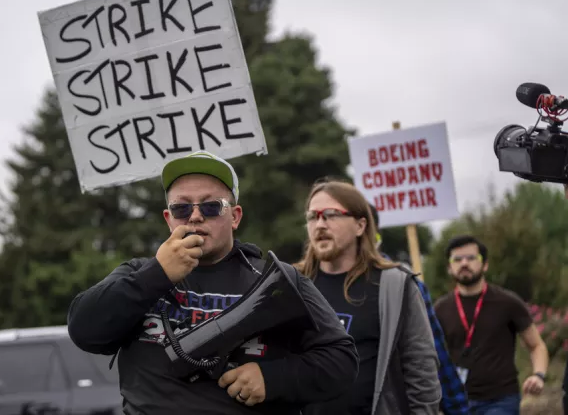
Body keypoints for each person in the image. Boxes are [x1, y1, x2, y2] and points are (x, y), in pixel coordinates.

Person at [66, 150, 360, 415]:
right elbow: (83, 329)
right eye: (182, 209)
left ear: (235, 216)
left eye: (211, 207)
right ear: (168, 219)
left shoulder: (276, 278)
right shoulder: (138, 273)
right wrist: (157, 275)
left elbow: (341, 360)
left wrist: (273, 379)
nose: (195, 216)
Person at [296, 178, 441, 415]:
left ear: (360, 225)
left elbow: (421, 368)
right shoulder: (293, 284)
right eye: (313, 216)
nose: (320, 224)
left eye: (331, 214)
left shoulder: (394, 285)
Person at [367, 204, 469, 415]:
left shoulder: (401, 284)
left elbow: (429, 356)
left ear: (367, 229)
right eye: (314, 218)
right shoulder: (309, 284)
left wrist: (457, 409)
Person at [434, 235, 549, 415]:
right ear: (449, 267)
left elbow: (536, 345)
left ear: (485, 264)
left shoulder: (507, 302)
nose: (464, 263)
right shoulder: (440, 308)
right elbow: (431, 357)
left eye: (471, 258)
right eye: (457, 259)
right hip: (457, 401)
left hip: (501, 399)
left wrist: (538, 375)